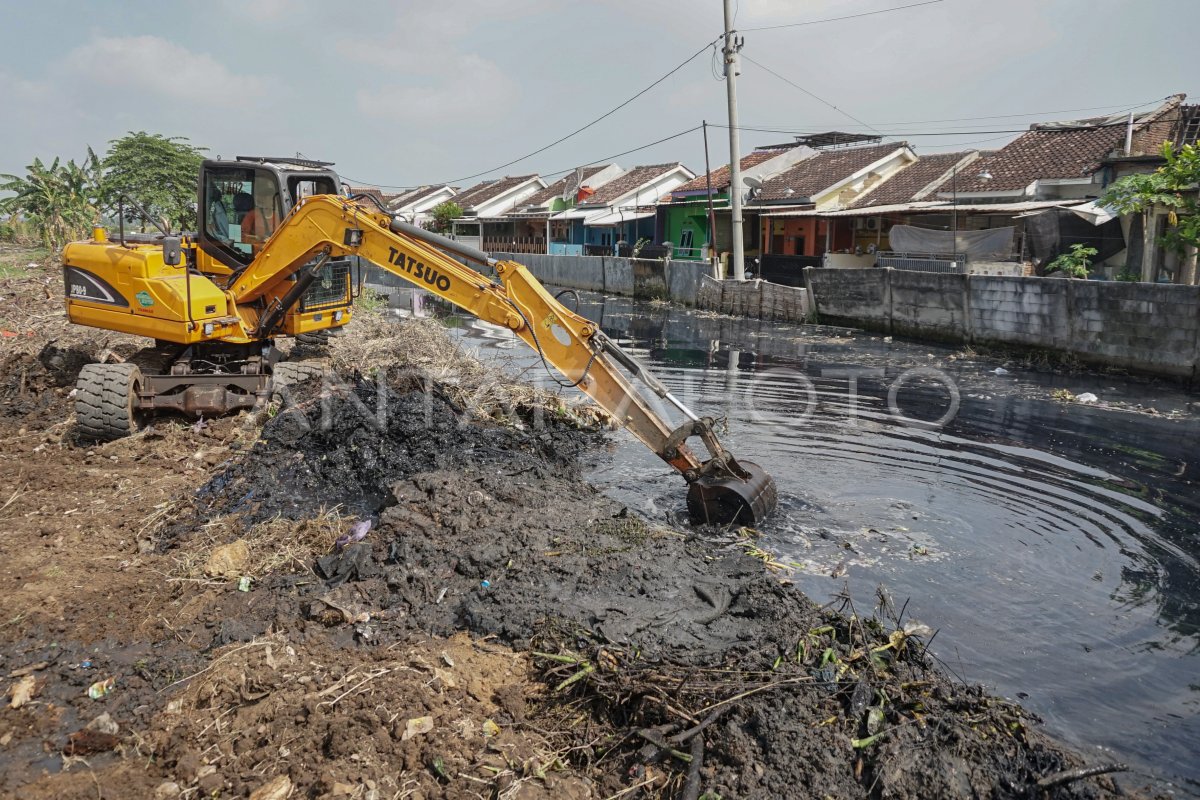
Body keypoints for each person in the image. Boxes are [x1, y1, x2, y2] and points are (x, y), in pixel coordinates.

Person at [241, 181, 281, 254]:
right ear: (263, 200)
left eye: (273, 199)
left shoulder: (277, 217)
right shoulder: (252, 215)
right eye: (269, 198)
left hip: (273, 254)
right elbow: (242, 237)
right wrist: (259, 239)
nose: (273, 201)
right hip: (256, 257)